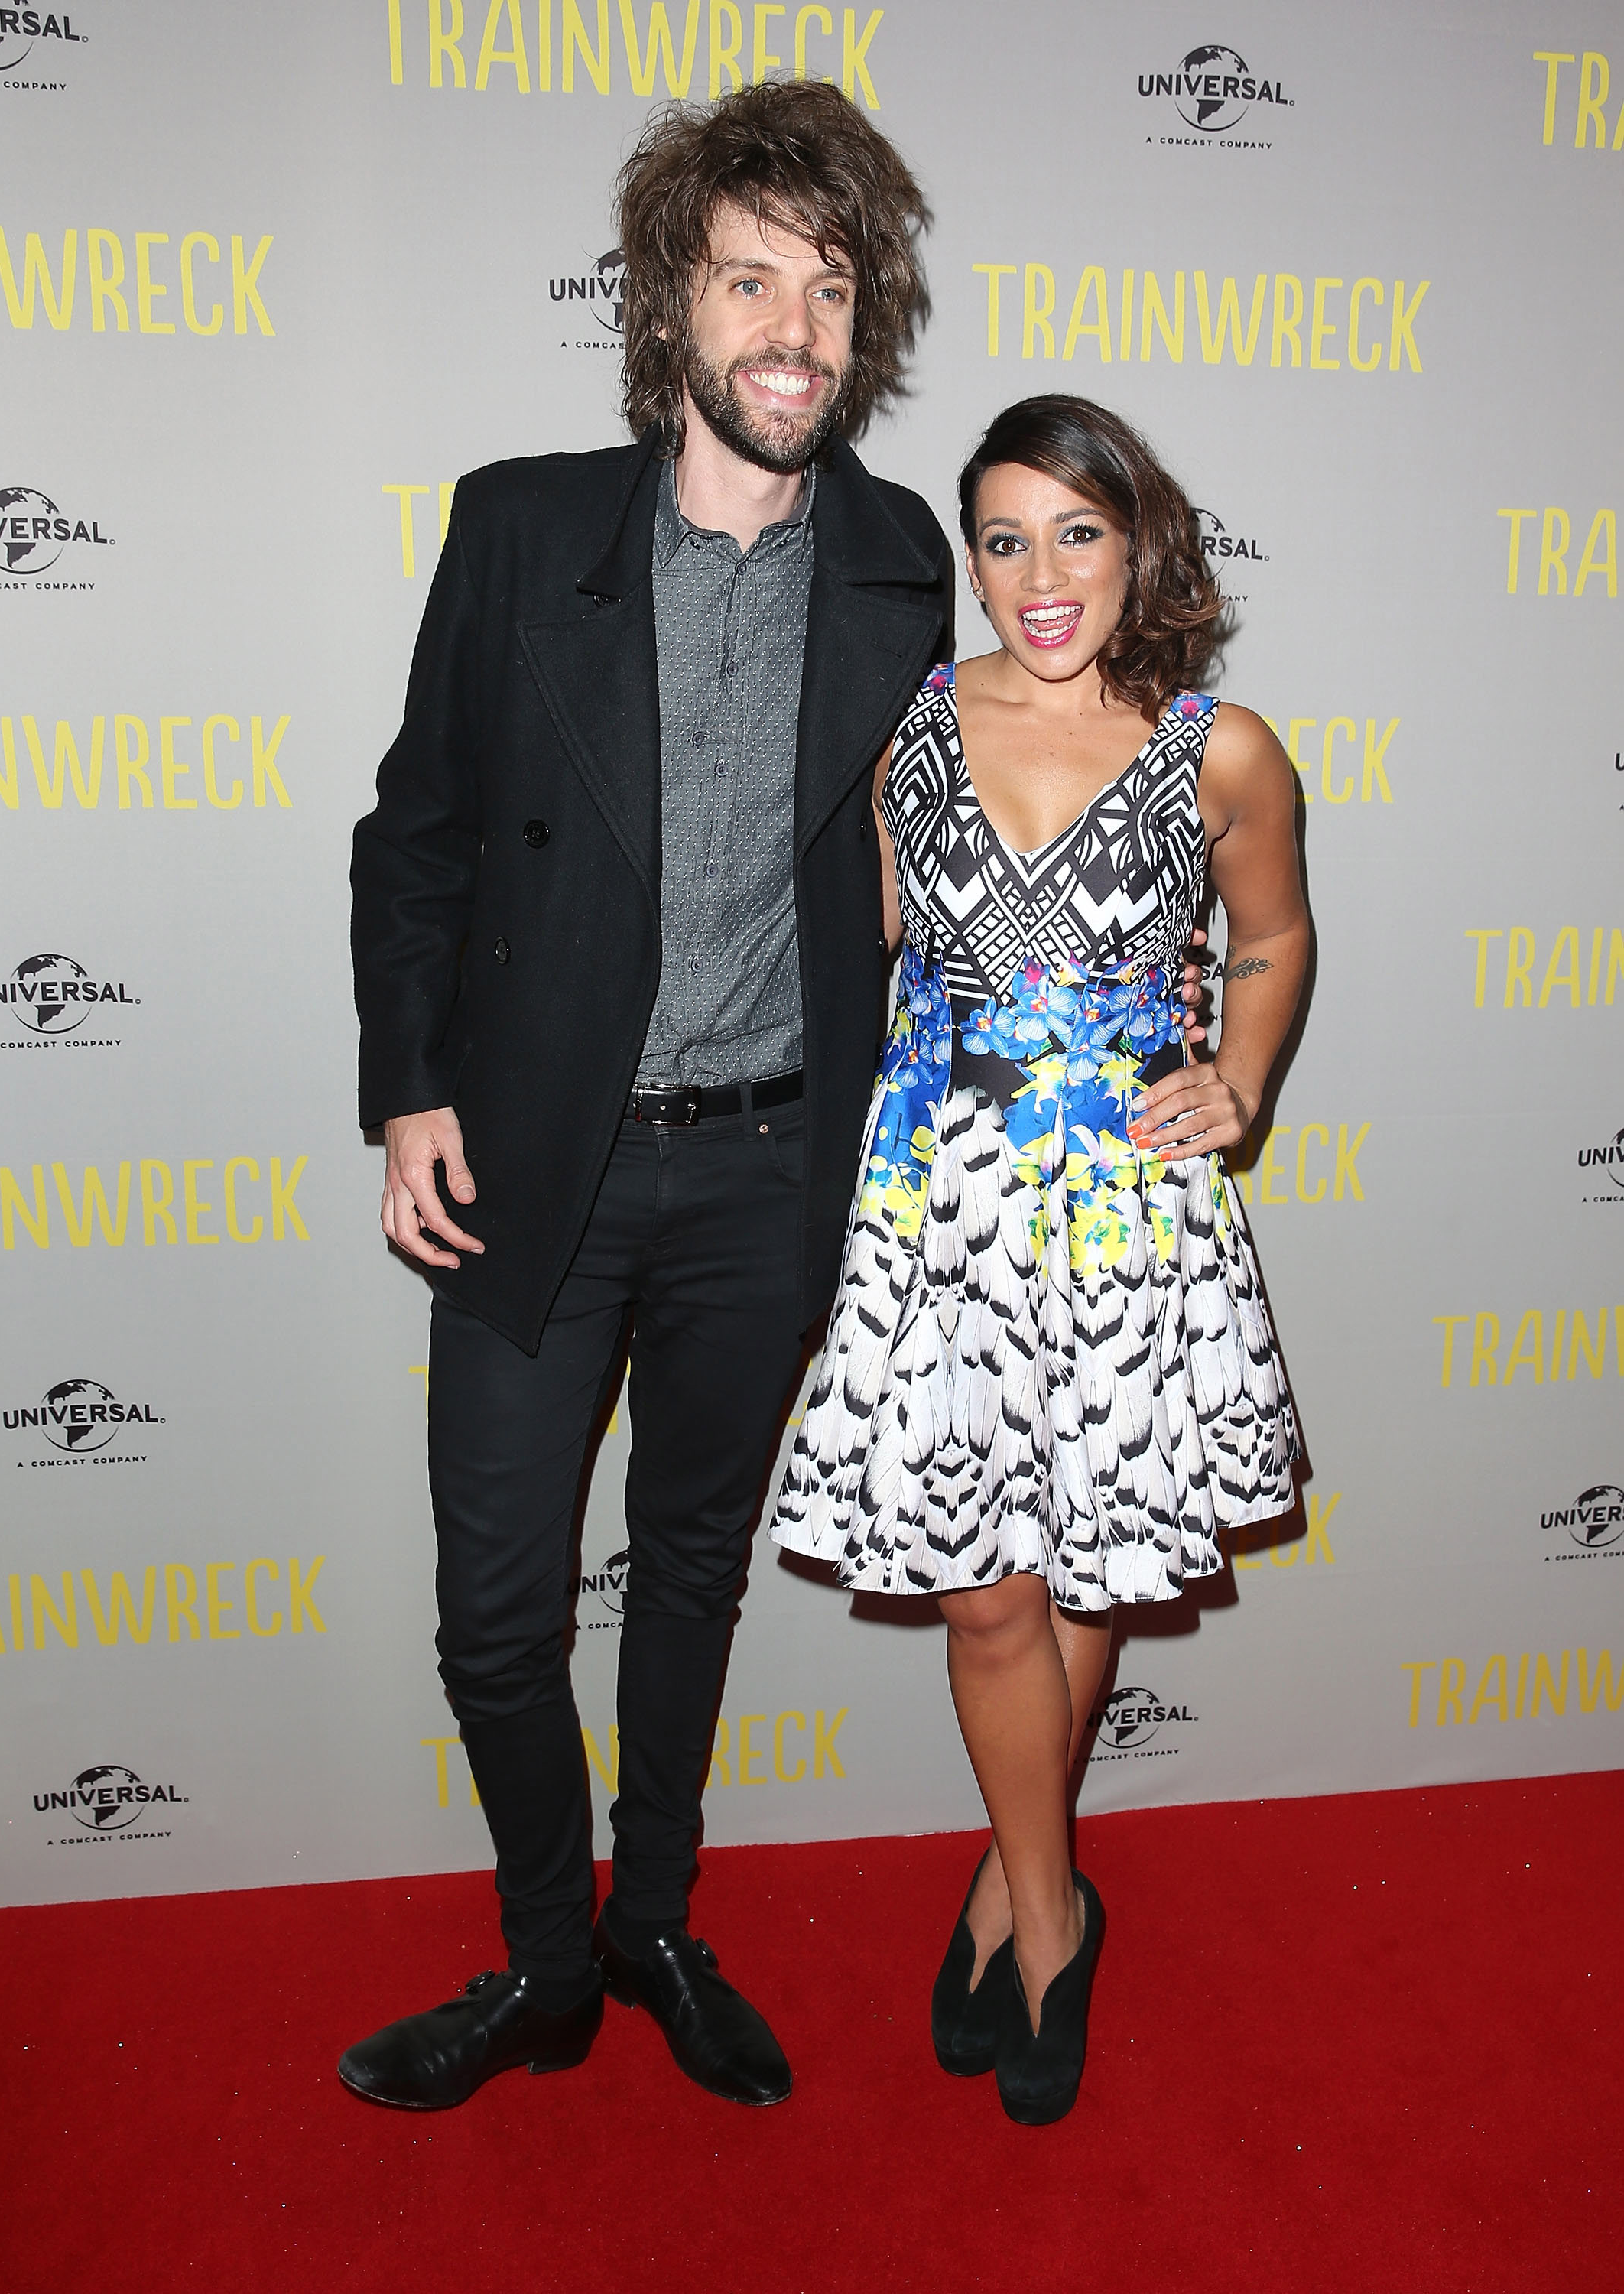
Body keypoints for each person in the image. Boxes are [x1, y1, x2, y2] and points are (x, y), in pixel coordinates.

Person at [340, 81, 950, 2114]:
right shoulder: (520, 528)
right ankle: (543, 1962)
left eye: (830, 286)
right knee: (496, 1610)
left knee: (690, 1570)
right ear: (671, 308)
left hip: (772, 1164)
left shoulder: (897, 558)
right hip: (535, 1159)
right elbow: (415, 830)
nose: (793, 325)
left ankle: (656, 1919)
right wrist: (408, 1087)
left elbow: (931, 852)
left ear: (866, 326)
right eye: (749, 277)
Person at [771, 394, 1307, 2125]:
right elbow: (843, 952)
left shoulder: (1220, 747)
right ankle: (1055, 1898)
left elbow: (1276, 934)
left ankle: (1020, 1891)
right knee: (986, 1586)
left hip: (1126, 1219)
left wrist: (1241, 1070)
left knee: (1083, 1577)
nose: (1038, 576)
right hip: (937, 1201)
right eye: (1002, 540)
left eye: (1074, 531)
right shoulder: (903, 724)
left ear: (1139, 539)